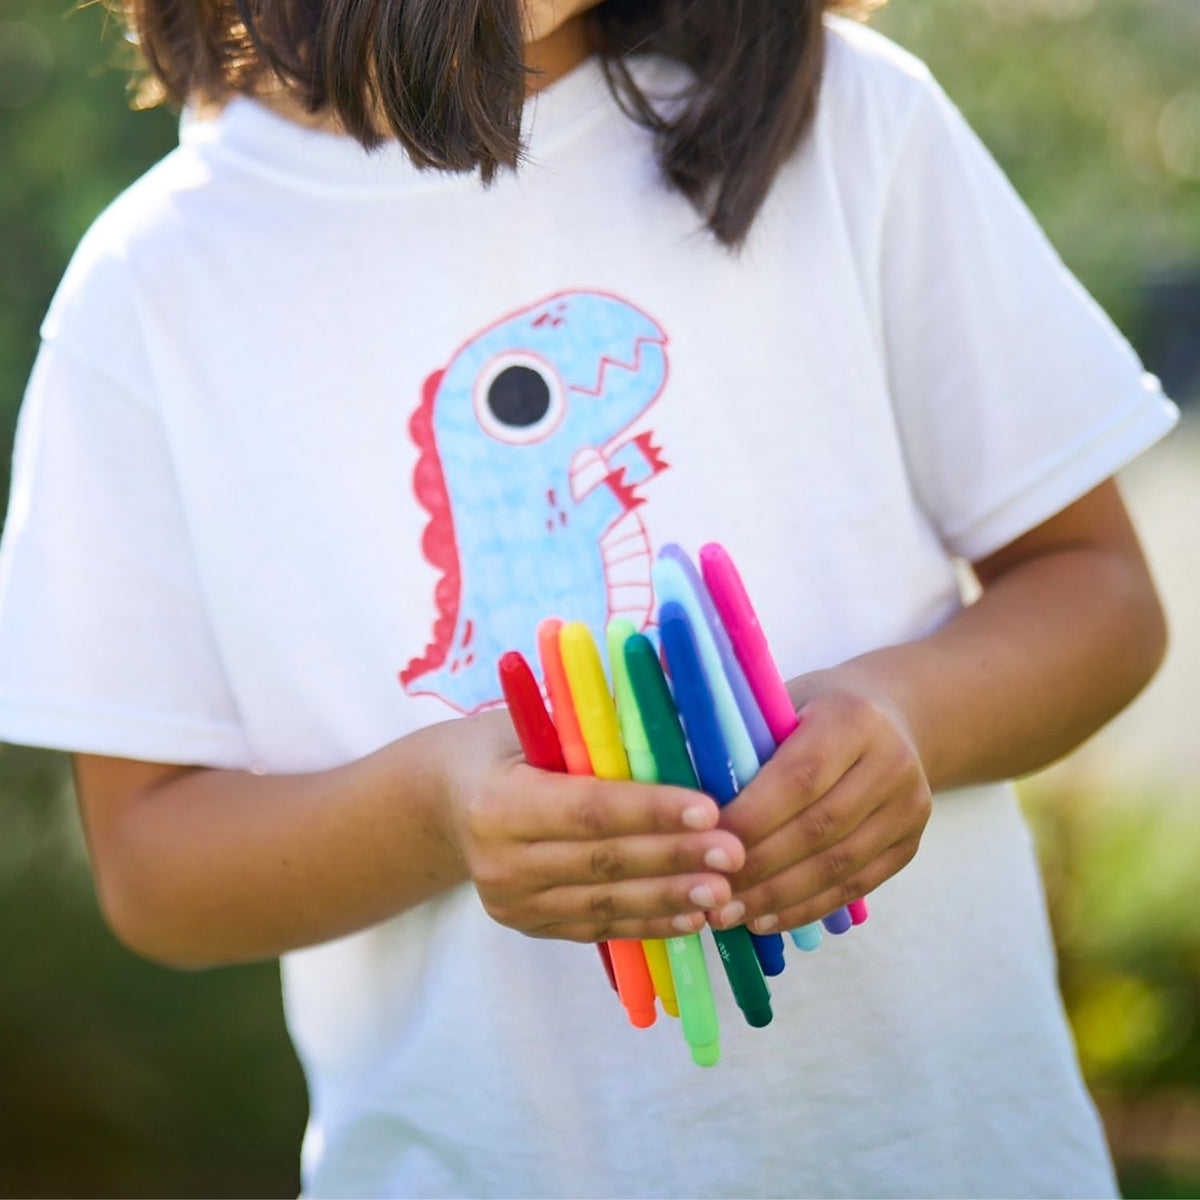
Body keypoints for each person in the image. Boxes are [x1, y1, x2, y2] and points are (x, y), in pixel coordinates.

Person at [0, 0, 1179, 1194]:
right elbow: (151, 865)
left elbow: (1098, 595)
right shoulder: (148, 295)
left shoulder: (849, 113)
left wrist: (910, 715)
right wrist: (433, 812)